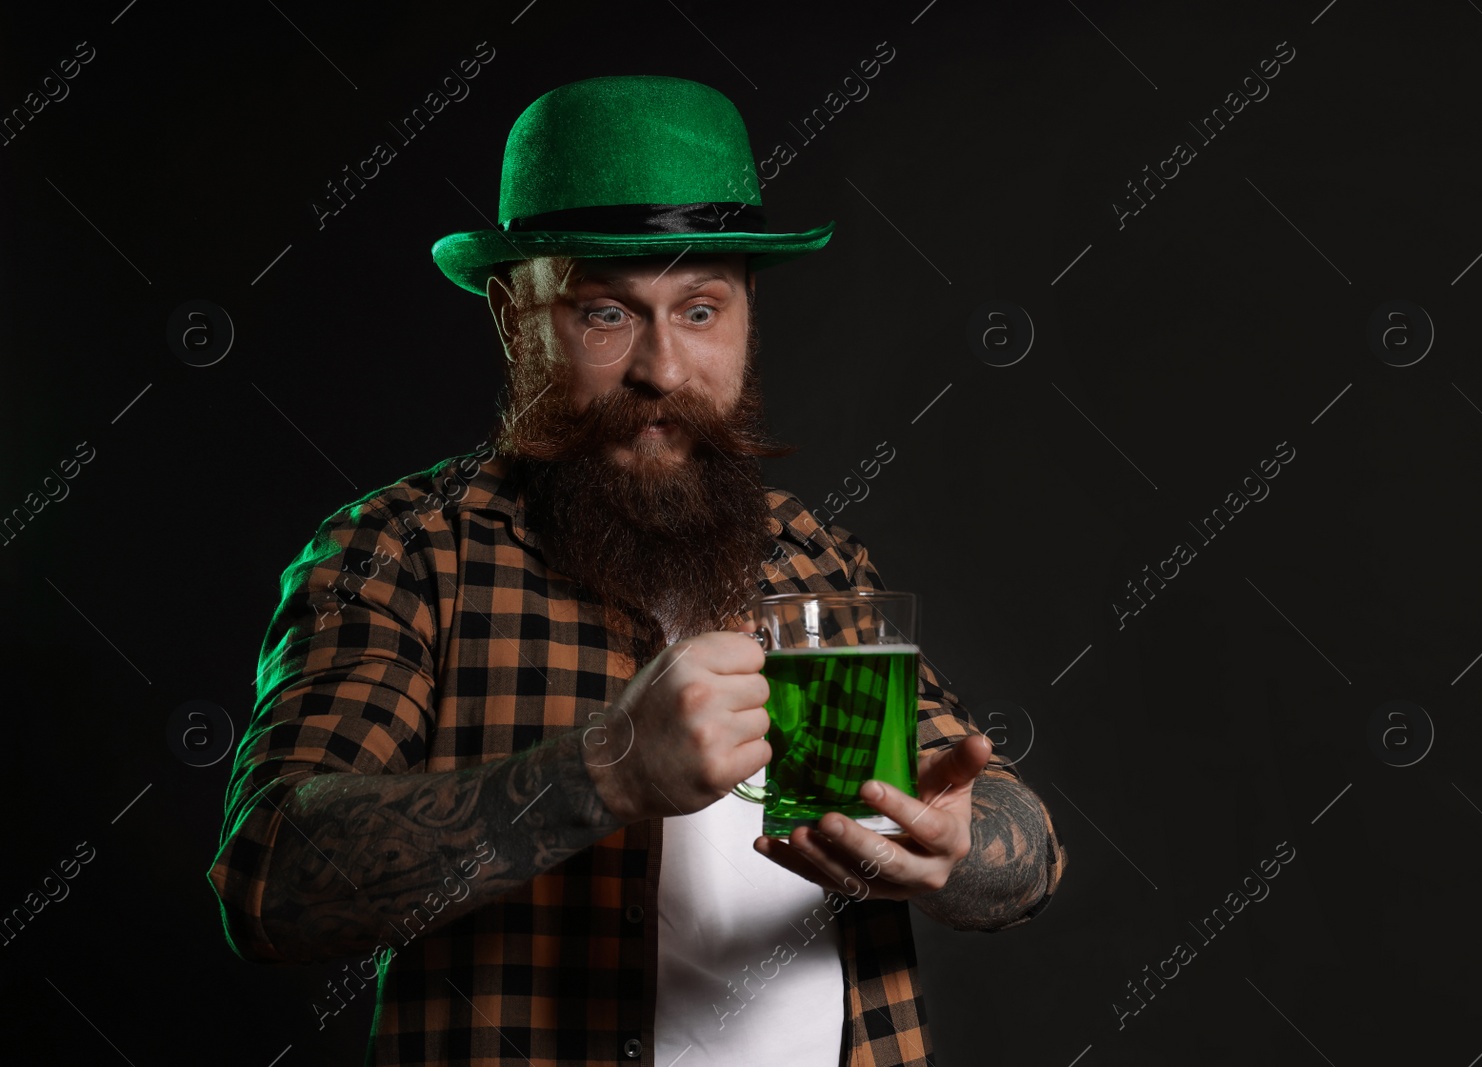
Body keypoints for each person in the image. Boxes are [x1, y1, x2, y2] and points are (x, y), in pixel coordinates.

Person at [209, 74, 1065, 1067]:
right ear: (510, 314)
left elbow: (1017, 840)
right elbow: (271, 880)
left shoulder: (815, 559)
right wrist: (602, 770)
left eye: (700, 310)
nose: (662, 366)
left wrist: (955, 844)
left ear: (746, 315)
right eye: (606, 314)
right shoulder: (401, 549)